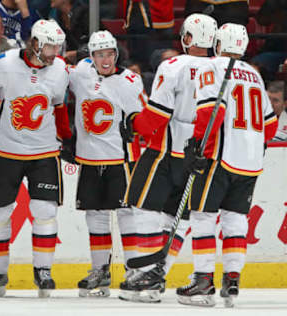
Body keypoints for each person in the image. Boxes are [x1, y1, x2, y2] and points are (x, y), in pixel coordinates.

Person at [0, 19, 71, 298]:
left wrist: (67, 136)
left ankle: (43, 270)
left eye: (57, 47)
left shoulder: (60, 70)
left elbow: (59, 108)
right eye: (48, 46)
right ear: (34, 43)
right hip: (6, 151)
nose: (53, 53)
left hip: (45, 152)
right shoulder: (3, 64)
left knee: (45, 212)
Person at [176, 23, 278, 307]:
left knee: (203, 217)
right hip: (250, 162)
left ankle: (203, 280)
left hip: (220, 158)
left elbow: (211, 112)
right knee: (235, 220)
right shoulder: (255, 76)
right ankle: (232, 279)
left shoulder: (214, 67)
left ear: (218, 43)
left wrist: (200, 149)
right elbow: (270, 126)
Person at [119, 13, 217, 303]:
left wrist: (133, 124)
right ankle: (158, 273)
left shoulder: (173, 65)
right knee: (177, 217)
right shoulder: (221, 68)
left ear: (187, 38)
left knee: (144, 207)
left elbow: (157, 116)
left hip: (166, 151)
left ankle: (148, 277)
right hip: (201, 156)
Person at [67, 30, 146, 297]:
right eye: (99, 54)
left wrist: (135, 127)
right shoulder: (80, 74)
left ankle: (133, 270)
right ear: (91, 56)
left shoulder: (129, 81)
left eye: (109, 53)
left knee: (127, 215)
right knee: (95, 216)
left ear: (116, 54)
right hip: (89, 159)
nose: (105, 59)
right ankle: (100, 272)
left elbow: (144, 116)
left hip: (120, 159)